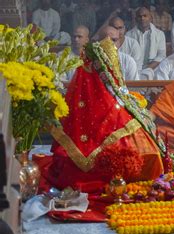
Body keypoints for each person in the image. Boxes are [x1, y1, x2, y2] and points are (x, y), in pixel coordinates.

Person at [49, 37, 164, 191]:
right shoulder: (87, 89)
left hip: (118, 122)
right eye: (104, 70)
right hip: (104, 146)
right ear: (96, 67)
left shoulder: (114, 92)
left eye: (111, 70)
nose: (108, 75)